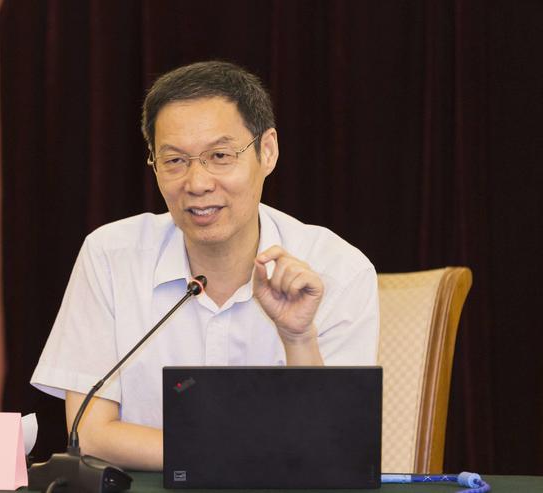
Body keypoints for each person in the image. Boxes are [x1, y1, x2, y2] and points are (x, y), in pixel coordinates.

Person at [31, 61, 379, 471]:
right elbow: (90, 434)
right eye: (174, 161)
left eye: (220, 156)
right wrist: (253, 452)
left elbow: (331, 447)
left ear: (267, 151)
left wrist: (297, 337)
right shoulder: (111, 256)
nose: (197, 183)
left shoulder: (338, 270)